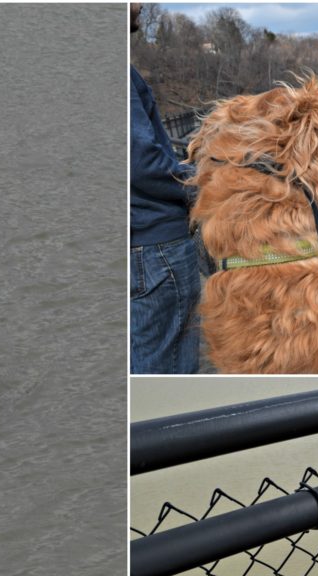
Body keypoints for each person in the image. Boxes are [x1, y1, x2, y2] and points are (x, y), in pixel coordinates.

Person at [129, 3, 200, 374]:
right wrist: (200, 185)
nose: (139, 5)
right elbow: (143, 164)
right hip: (156, 249)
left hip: (141, 248)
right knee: (168, 372)